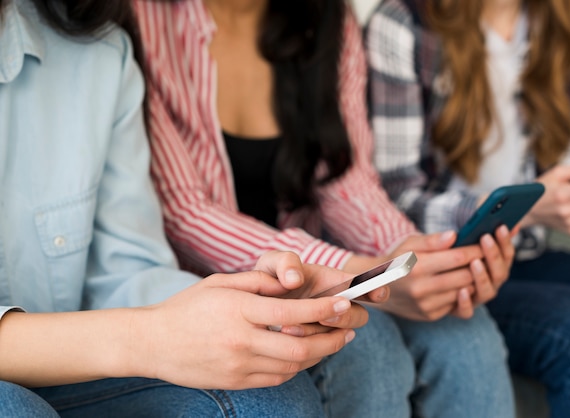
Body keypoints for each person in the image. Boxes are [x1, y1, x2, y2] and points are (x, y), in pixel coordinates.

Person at [134, 0, 518, 416]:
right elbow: (183, 211)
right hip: (199, 291)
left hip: (324, 269)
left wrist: (407, 254)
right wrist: (359, 272)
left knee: (465, 330)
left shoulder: (329, 18)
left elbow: (344, 179)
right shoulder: (144, 18)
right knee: (368, 347)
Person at [0, 0, 377, 416]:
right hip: (67, 362)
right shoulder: (153, 23)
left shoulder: (97, 51)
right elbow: (184, 210)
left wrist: (250, 300)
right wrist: (148, 337)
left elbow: (125, 270)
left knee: (274, 395)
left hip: (77, 366)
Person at [366, 0, 570, 416]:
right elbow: (394, 203)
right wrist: (530, 205)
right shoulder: (403, 24)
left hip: (526, 254)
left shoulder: (558, 22)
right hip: (451, 265)